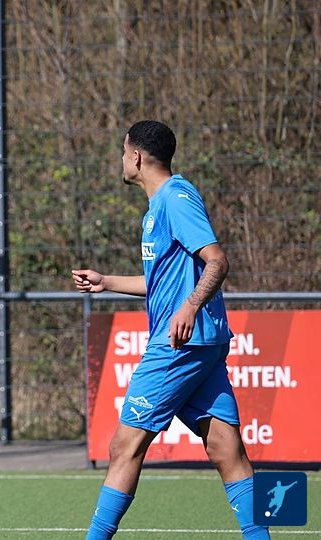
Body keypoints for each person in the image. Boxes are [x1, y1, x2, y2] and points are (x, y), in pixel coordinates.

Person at [72, 120, 269, 539]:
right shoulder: (158, 206)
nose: (121, 160)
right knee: (226, 449)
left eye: (123, 152)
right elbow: (161, 282)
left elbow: (217, 260)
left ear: (136, 157)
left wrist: (190, 307)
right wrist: (106, 282)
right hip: (202, 344)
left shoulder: (176, 199)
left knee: (124, 446)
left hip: (179, 344)